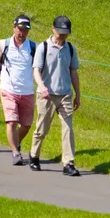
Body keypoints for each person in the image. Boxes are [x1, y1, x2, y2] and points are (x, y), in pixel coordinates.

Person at [29, 14, 81, 176]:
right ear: (53, 30)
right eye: (60, 32)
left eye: (65, 33)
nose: (63, 35)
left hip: (65, 95)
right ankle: (34, 155)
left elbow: (73, 72)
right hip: (47, 95)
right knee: (42, 129)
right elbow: (36, 70)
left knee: (68, 129)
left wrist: (78, 95)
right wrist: (42, 86)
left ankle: (68, 163)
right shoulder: (43, 47)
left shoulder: (70, 49)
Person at [0, 14, 38, 166]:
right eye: (20, 29)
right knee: (11, 122)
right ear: (14, 28)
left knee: (26, 125)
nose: (22, 32)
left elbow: (39, 69)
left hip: (27, 91)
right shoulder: (3, 44)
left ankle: (15, 143)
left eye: (25, 30)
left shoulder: (33, 47)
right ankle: (16, 153)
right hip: (8, 89)